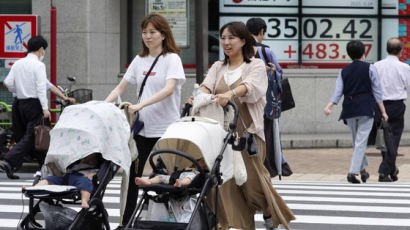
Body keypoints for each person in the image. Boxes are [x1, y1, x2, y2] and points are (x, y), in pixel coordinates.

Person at [195, 21, 294, 230]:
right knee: (227, 184)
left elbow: (251, 87)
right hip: (221, 134)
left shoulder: (255, 65)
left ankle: (268, 210)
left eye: (231, 38)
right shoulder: (217, 67)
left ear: (243, 40)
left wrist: (229, 94)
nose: (226, 42)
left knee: (253, 184)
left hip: (248, 134)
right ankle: (235, 224)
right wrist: (198, 97)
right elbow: (205, 86)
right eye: (223, 38)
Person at [104, 14, 185, 228]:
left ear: (163, 34)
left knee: (166, 178)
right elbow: (120, 87)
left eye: (153, 32)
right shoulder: (139, 60)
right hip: (142, 130)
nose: (148, 36)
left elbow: (169, 89)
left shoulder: (172, 59)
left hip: (166, 130)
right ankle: (127, 222)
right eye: (144, 32)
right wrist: (103, 105)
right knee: (132, 177)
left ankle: (171, 222)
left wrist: (141, 105)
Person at [324, 40, 388, 184]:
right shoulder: (370, 68)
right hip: (366, 108)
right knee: (360, 142)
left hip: (350, 109)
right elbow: (378, 92)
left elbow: (338, 92)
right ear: (363, 52)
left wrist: (329, 106)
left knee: (357, 142)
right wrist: (383, 112)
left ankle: (363, 171)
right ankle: (352, 172)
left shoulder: (343, 71)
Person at [246, 17, 293, 178]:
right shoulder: (266, 51)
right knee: (271, 131)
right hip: (266, 100)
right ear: (261, 32)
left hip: (247, 98)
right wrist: (272, 71)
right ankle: (276, 165)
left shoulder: (242, 49)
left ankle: (256, 163)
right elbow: (278, 72)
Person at [0, 36, 51, 179]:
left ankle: (43, 168)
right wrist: (45, 108)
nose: (43, 53)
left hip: (20, 104)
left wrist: (18, 90)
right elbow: (41, 88)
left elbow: (7, 83)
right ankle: (8, 161)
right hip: (34, 104)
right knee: (34, 136)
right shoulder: (39, 66)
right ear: (41, 49)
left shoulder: (18, 63)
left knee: (28, 136)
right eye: (44, 50)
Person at [374, 38, 410, 182]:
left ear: (386, 49)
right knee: (393, 139)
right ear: (401, 51)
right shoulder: (405, 67)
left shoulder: (376, 66)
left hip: (379, 105)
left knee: (385, 138)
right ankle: (384, 171)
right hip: (396, 105)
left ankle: (392, 170)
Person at [24, 153, 102, 208]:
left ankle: (84, 200)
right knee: (49, 179)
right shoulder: (75, 166)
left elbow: (96, 174)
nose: (87, 160)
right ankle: (34, 188)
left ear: (97, 162)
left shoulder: (94, 169)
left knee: (85, 183)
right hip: (67, 178)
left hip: (81, 178)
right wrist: (54, 168)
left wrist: (91, 175)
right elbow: (61, 175)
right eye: (85, 158)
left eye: (92, 159)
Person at [135, 158, 207, 187]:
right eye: (202, 162)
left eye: (205, 164)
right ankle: (148, 181)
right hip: (174, 178)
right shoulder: (188, 167)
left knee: (188, 179)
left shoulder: (198, 173)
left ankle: (180, 184)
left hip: (186, 179)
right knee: (160, 177)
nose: (204, 165)